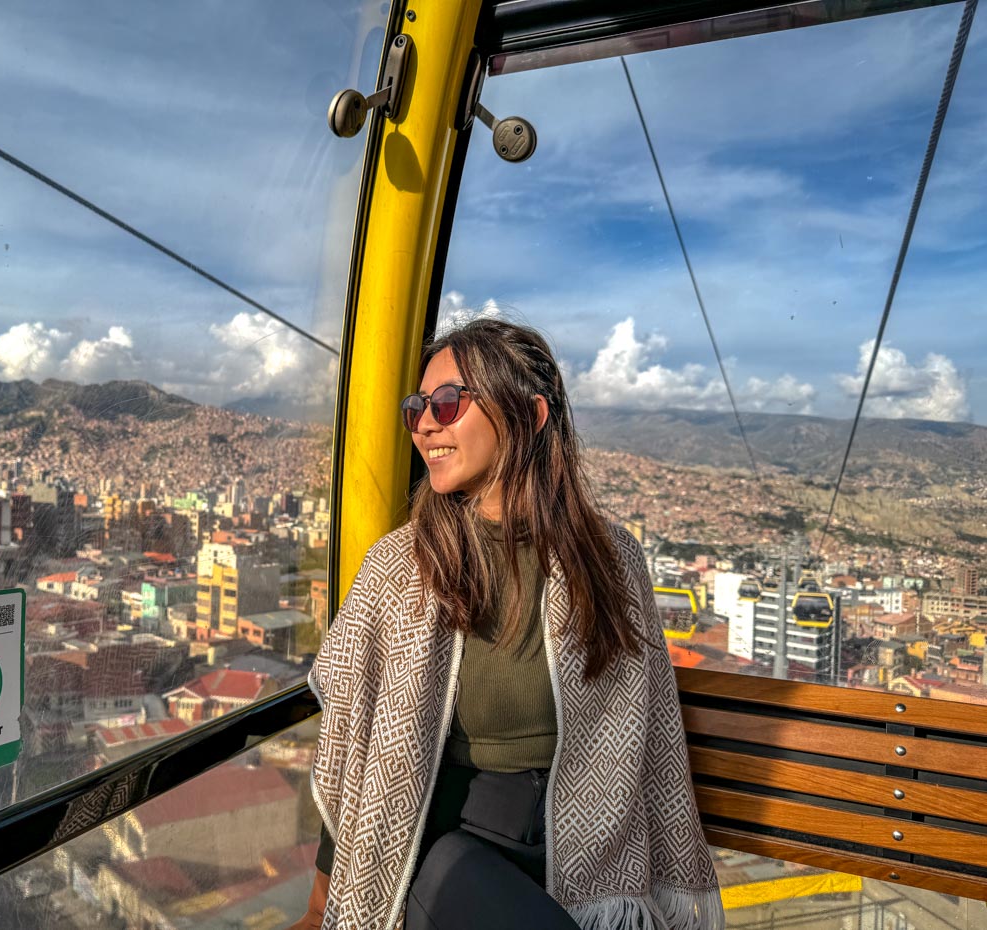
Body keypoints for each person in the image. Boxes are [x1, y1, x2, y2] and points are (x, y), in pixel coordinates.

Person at [287, 318, 723, 930]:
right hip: (435, 846)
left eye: (447, 403)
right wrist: (318, 907)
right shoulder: (400, 567)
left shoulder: (609, 561)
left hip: (584, 851)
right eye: (417, 407)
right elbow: (353, 748)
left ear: (531, 415)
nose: (424, 424)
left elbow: (652, 741)